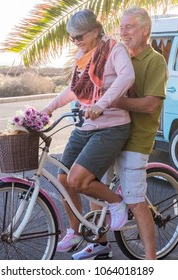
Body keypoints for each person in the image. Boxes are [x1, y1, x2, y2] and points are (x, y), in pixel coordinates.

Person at [72, 6, 168, 260]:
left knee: (135, 201)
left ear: (145, 30)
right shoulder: (115, 53)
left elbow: (150, 105)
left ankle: (150, 260)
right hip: (108, 133)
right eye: (121, 27)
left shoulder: (153, 60)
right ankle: (100, 243)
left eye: (130, 27)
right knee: (95, 186)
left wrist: (112, 100)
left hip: (136, 138)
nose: (124, 33)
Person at [41, 9, 135, 253]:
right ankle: (74, 231)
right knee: (63, 181)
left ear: (95, 31)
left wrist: (101, 104)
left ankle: (117, 203)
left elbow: (127, 76)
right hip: (85, 126)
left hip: (111, 127)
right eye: (72, 38)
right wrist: (48, 109)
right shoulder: (83, 56)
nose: (76, 42)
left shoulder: (115, 49)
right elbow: (74, 89)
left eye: (79, 36)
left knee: (77, 180)